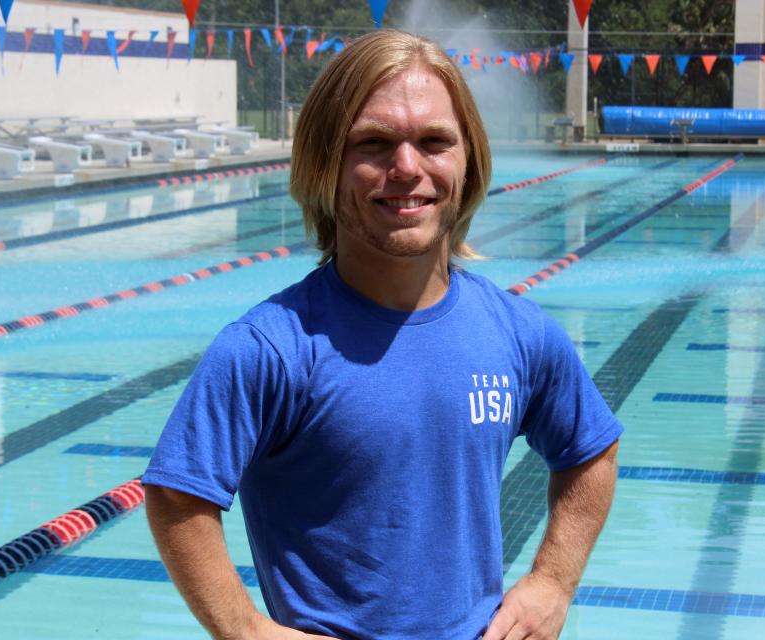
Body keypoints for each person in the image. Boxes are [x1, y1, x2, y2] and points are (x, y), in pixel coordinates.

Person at [143, 29, 622, 640]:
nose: (406, 168)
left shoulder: (520, 333)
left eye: (433, 142)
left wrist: (554, 581)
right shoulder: (272, 348)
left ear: (468, 159)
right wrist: (246, 631)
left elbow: (591, 452)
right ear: (325, 162)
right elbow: (178, 497)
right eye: (373, 143)